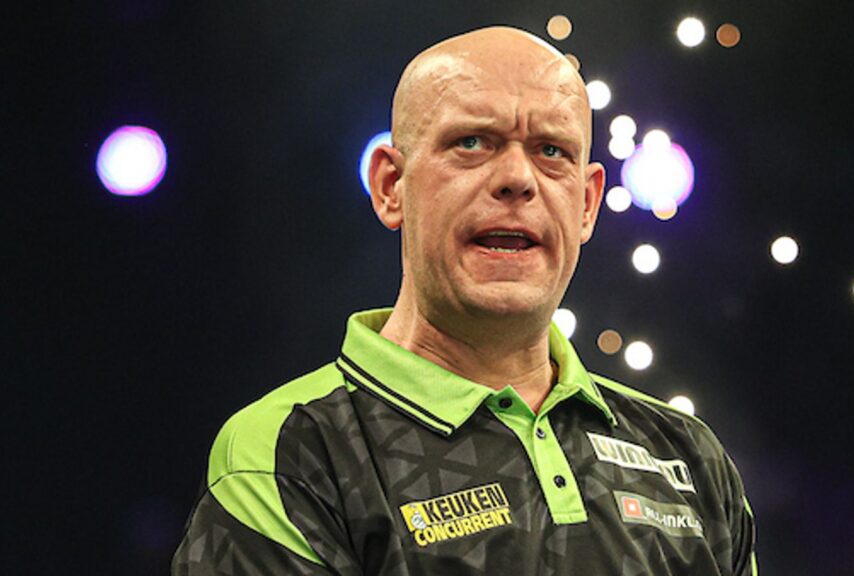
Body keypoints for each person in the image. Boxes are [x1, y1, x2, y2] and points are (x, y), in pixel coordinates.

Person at [172, 26, 756, 575]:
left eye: (552, 151)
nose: (518, 178)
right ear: (391, 186)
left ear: (586, 204)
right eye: (472, 142)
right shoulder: (289, 453)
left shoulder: (688, 456)